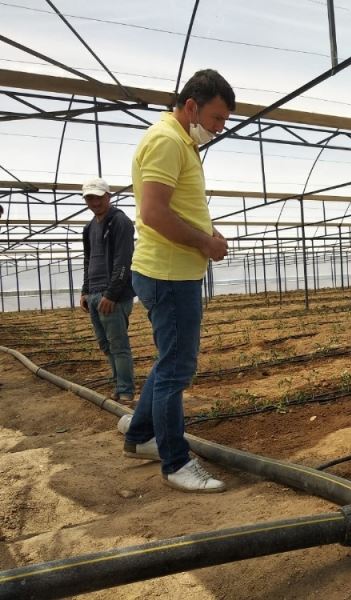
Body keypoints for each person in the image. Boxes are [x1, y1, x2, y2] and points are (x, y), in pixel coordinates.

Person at [122, 69, 234, 493]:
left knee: (168, 361)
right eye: (217, 117)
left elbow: (177, 208)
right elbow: (153, 213)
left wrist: (209, 234)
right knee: (176, 368)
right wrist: (205, 243)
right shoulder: (167, 141)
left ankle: (139, 436)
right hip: (168, 274)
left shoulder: (180, 142)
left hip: (174, 271)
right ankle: (176, 461)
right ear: (192, 106)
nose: (219, 128)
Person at [79, 177, 135, 404]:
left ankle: (126, 391)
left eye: (98, 197)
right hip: (94, 292)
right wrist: (85, 290)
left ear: (108, 196)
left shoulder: (120, 221)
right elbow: (88, 259)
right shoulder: (89, 227)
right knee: (105, 344)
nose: (94, 201)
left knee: (118, 344)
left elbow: (123, 259)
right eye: (90, 197)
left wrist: (111, 294)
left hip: (112, 294)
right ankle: (118, 384)